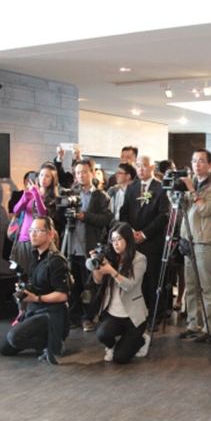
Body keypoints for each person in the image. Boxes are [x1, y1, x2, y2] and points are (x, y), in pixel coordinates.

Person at [0, 216, 71, 365]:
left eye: (37, 230)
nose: (32, 234)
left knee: (14, 338)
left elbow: (63, 295)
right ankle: (43, 342)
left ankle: (53, 342)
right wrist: (25, 290)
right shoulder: (35, 255)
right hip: (35, 310)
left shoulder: (56, 261)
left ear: (50, 234)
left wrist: (36, 299)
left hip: (51, 312)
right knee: (4, 347)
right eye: (31, 230)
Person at [176, 148, 211, 343]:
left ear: (210, 165)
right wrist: (176, 191)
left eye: (201, 161)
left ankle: (210, 328)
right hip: (188, 240)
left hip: (205, 242)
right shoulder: (192, 182)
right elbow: (180, 208)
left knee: (207, 287)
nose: (196, 164)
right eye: (194, 160)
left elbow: (205, 209)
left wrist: (192, 190)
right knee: (191, 286)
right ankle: (192, 324)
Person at [119, 155, 170, 327]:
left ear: (152, 167)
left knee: (153, 279)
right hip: (133, 240)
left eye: (144, 165)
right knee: (136, 279)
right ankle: (137, 315)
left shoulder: (160, 187)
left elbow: (163, 215)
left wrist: (145, 234)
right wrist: (132, 233)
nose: (140, 169)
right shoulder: (132, 187)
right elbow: (124, 212)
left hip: (153, 240)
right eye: (138, 165)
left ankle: (155, 315)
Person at [93, 222, 150, 363]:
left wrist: (112, 272)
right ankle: (113, 346)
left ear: (128, 239)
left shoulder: (140, 259)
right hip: (113, 314)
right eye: (113, 240)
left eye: (119, 239)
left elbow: (130, 285)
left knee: (120, 359)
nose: (115, 244)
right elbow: (97, 281)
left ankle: (143, 338)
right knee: (102, 334)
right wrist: (95, 264)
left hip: (133, 316)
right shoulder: (110, 258)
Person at [67, 159, 113, 331]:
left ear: (92, 174)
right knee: (72, 284)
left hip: (90, 246)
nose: (80, 175)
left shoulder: (101, 196)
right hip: (71, 245)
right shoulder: (71, 194)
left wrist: (86, 216)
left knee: (89, 286)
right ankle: (73, 316)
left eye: (84, 172)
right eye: (78, 172)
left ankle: (87, 317)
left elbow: (107, 219)